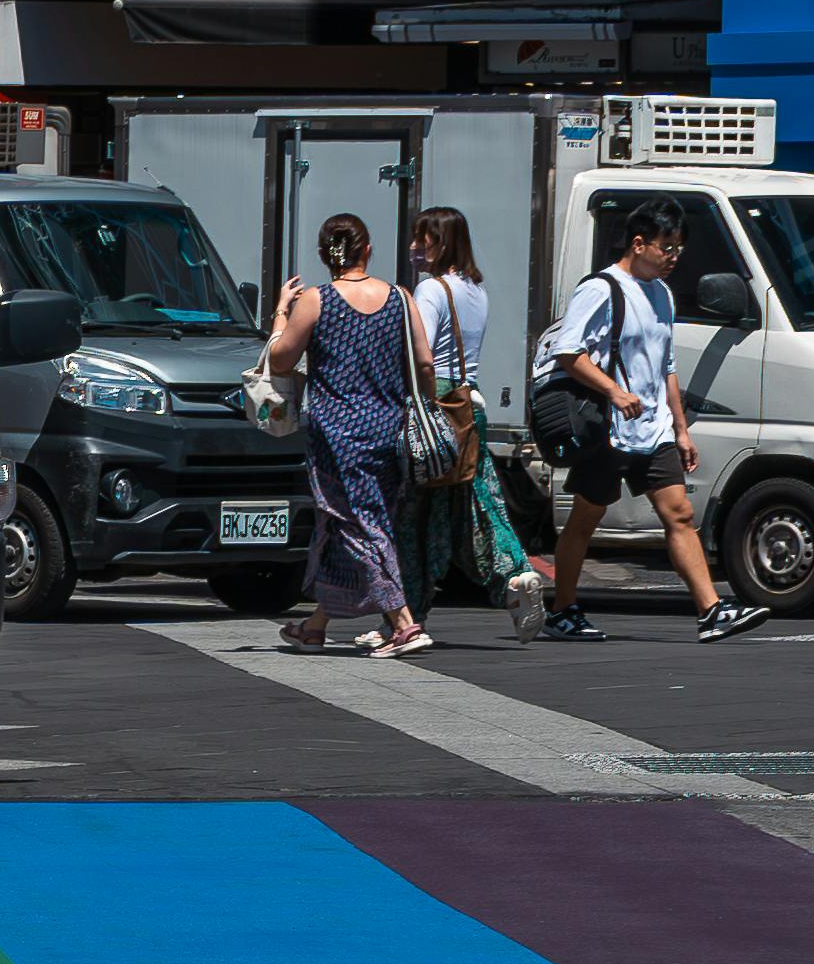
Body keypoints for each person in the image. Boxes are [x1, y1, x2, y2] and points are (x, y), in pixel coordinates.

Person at [521, 205, 755, 637]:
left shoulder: (662, 293)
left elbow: (666, 367)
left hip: (653, 430)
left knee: (680, 513)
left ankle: (711, 611)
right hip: (608, 429)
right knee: (585, 519)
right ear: (639, 244)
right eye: (666, 247)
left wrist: (681, 430)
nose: (674, 256)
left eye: (679, 248)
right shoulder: (601, 289)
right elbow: (568, 352)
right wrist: (612, 390)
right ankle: (563, 610)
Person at [264, 210, 434, 657]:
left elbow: (280, 360)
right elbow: (425, 363)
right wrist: (425, 406)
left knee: (360, 523)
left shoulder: (317, 300)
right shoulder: (400, 297)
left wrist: (281, 311)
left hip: (336, 435)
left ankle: (404, 623)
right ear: (368, 250)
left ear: (325, 255)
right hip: (387, 429)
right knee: (347, 525)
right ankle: (316, 626)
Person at [401, 203, 499, 613]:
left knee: (412, 517)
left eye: (422, 239)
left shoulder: (430, 290)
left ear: (441, 243)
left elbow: (418, 354)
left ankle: (408, 612)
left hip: (434, 400)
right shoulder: (477, 290)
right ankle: (512, 573)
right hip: (467, 402)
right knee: (481, 503)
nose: (413, 248)